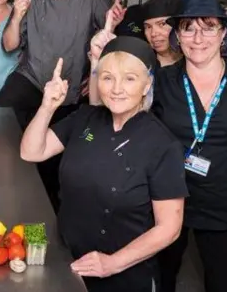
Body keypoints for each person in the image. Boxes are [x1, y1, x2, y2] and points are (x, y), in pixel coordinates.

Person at [21, 37, 187, 292]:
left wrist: (113, 263)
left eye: (129, 79)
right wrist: (47, 107)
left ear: (147, 85)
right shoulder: (85, 118)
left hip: (123, 274)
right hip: (67, 258)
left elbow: (170, 228)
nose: (117, 88)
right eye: (108, 78)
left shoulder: (163, 146)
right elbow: (32, 152)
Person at [0, 0, 119, 211]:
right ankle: (2, 189)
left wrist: (99, 76)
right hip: (32, 78)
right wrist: (16, 16)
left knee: (57, 164)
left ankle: (50, 213)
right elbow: (9, 45)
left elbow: (112, 42)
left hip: (71, 86)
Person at [151, 0, 227, 292]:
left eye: (209, 27)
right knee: (158, 280)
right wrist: (98, 60)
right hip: (168, 203)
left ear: (223, 34)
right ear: (177, 36)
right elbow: (124, 121)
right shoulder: (162, 81)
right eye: (189, 27)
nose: (198, 37)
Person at [140, 0, 184, 67]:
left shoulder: (195, 65)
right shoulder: (140, 66)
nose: (153, 33)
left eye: (162, 24)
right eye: (148, 27)